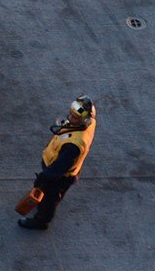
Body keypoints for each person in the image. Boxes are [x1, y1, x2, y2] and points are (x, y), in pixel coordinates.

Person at [17, 97, 97, 231]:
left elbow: (58, 170)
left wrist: (42, 177)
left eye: (75, 117)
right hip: (69, 169)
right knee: (55, 194)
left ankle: (41, 222)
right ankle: (53, 199)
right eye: (71, 114)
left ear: (84, 120)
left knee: (49, 199)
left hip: (60, 176)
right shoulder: (90, 121)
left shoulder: (73, 146)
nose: (70, 118)